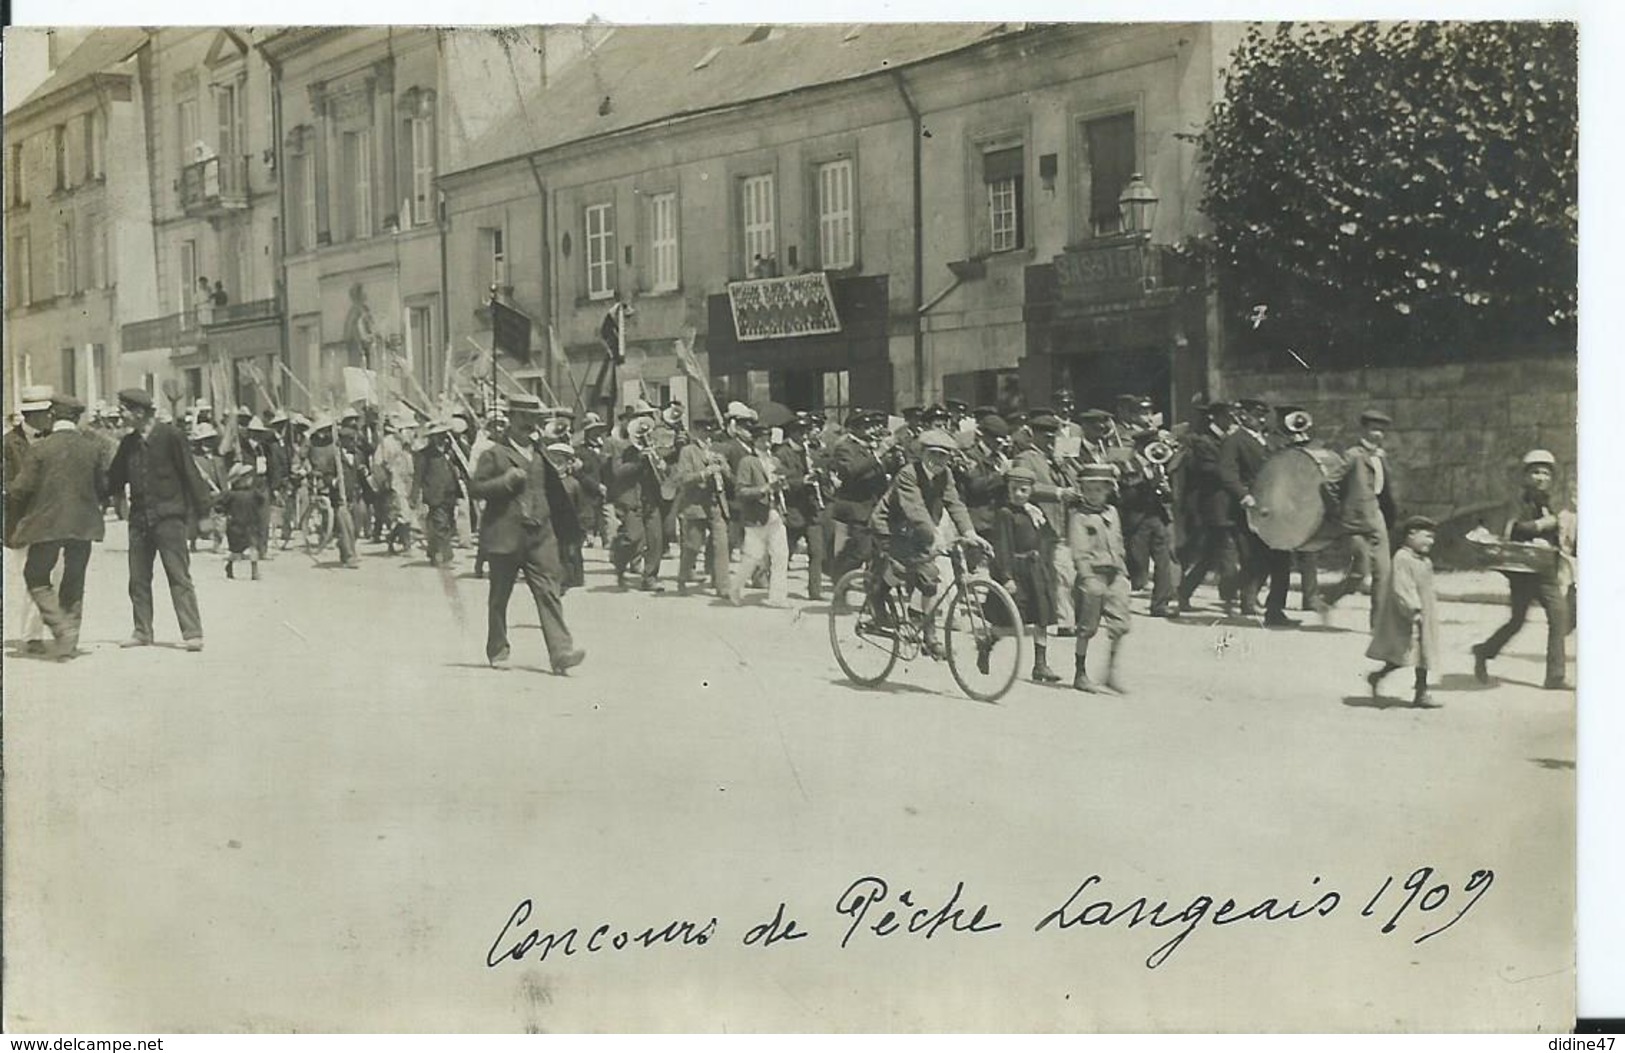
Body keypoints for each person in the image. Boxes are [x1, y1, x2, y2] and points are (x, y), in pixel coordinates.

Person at [467, 396, 585, 674]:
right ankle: (497, 649)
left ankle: (561, 653)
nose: (529, 425)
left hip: (540, 536)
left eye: (534, 420)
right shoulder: (494, 454)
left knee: (549, 592)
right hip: (505, 536)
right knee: (499, 596)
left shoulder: (542, 453)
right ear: (512, 418)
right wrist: (504, 482)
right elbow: (476, 488)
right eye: (524, 418)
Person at [107, 388, 210, 651]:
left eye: (124, 410)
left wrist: (204, 514)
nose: (121, 415)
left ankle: (192, 634)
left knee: (179, 576)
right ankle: (142, 631)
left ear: (139, 412)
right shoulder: (128, 443)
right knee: (138, 579)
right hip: (140, 521)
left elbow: (190, 474)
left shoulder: (171, 436)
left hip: (169, 519)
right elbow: (114, 478)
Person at [868, 429, 990, 652]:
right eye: (933, 454)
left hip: (918, 530)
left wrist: (970, 532)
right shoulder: (908, 474)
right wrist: (934, 536)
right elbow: (915, 509)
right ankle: (877, 595)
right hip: (891, 526)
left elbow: (955, 503)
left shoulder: (946, 476)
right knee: (901, 568)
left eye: (943, 456)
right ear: (922, 454)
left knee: (930, 578)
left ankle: (930, 636)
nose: (937, 461)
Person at [8, 394, 109, 659]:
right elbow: (104, 488)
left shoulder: (40, 448)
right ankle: (69, 642)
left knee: (36, 577)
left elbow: (21, 488)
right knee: (74, 581)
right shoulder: (93, 447)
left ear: (53, 416)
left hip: (47, 524)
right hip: (84, 524)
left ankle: (60, 626)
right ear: (77, 418)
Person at [1471, 449, 1572, 690]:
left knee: (1559, 617)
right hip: (1523, 571)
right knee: (1517, 621)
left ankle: (1555, 677)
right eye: (1535, 472)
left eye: (1545, 473)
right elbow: (1513, 530)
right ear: (1526, 476)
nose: (1540, 477)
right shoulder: (1517, 501)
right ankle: (1484, 651)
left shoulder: (1551, 501)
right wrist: (1540, 525)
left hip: (1546, 570)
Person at [1220, 398, 1297, 627]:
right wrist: (1243, 495)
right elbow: (1226, 472)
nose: (1261, 419)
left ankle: (1275, 611)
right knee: (1259, 561)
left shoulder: (1270, 440)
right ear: (1243, 415)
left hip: (1273, 506)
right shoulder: (1234, 441)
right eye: (1256, 414)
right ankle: (1232, 586)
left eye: (1263, 415)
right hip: (1250, 508)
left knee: (1281, 557)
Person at [1316, 408, 1396, 625]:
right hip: (1355, 523)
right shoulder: (1353, 455)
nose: (1378, 434)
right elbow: (1328, 484)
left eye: (1381, 430)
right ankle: (1328, 598)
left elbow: (1385, 489)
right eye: (1373, 429)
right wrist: (1340, 510)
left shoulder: (1382, 456)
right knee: (1360, 573)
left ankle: (1377, 625)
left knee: (1384, 573)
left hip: (1376, 518)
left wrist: (1388, 514)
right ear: (1364, 430)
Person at [991, 466, 1061, 684]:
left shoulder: (1034, 511)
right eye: (1014, 489)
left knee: (1042, 616)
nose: (1018, 494)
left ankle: (1040, 664)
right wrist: (1006, 576)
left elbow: (1046, 537)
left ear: (1031, 491)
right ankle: (987, 642)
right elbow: (1002, 546)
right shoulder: (1005, 513)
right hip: (1016, 568)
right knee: (1011, 622)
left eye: (1023, 490)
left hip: (1035, 568)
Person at [1012, 410, 1078, 635]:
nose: (1051, 440)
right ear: (1034, 436)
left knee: (1062, 571)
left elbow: (1074, 484)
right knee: (1046, 573)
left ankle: (1063, 619)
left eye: (1054, 436)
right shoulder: (1025, 458)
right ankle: (1058, 619)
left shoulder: (1057, 459)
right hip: (1037, 524)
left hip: (1059, 523)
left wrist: (1065, 467)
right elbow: (1024, 488)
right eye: (1046, 436)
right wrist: (1058, 492)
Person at [1068, 463, 1132, 693]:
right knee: (1087, 627)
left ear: (1108, 490)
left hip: (1115, 574)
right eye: (1088, 489)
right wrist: (1087, 578)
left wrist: (1123, 572)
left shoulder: (1112, 513)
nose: (1094, 494)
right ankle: (1080, 672)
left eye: (1099, 489)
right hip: (1092, 576)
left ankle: (1110, 671)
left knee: (1120, 624)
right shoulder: (1079, 517)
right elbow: (1079, 551)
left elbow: (1119, 541)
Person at [1365, 515, 1440, 707]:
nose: (1430, 542)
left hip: (1424, 613)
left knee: (1424, 654)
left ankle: (1421, 693)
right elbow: (1402, 587)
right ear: (1411, 534)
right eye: (1427, 536)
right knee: (1402, 655)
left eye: (1432, 538)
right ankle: (1377, 676)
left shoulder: (1424, 561)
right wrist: (1413, 610)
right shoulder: (1402, 558)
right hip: (1405, 615)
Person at [5, 385, 56, 654]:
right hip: (22, 521)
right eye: (46, 413)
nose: (50, 417)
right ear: (29, 415)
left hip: (50, 520)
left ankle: (44, 630)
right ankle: (32, 635)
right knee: (30, 577)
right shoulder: (7, 443)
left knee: (49, 576)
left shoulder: (53, 440)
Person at [1176, 401, 1240, 614]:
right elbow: (1209, 470)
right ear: (1217, 417)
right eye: (1229, 416)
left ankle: (1184, 592)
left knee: (1210, 556)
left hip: (1229, 504)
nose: (1233, 420)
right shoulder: (1204, 441)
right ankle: (1231, 601)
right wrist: (1235, 472)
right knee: (1227, 552)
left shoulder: (1228, 440)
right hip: (1215, 505)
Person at [729, 420, 792, 607]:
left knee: (781, 555)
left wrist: (782, 485)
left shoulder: (775, 461)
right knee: (753, 558)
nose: (767, 444)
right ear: (754, 442)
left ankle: (777, 597)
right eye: (762, 440)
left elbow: (782, 486)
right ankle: (735, 588)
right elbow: (741, 491)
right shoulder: (747, 462)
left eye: (768, 440)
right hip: (756, 516)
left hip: (775, 513)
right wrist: (765, 488)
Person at [610, 412, 671, 592]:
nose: (644, 438)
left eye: (647, 434)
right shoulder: (624, 449)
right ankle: (619, 561)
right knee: (633, 538)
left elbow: (664, 476)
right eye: (640, 434)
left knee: (656, 539)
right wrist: (638, 462)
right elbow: (618, 472)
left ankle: (650, 578)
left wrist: (662, 466)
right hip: (632, 500)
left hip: (651, 501)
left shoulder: (654, 450)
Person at [674, 416, 730, 597]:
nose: (708, 435)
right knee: (693, 545)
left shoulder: (715, 451)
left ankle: (723, 587)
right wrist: (705, 473)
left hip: (715, 503)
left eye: (710, 431)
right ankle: (683, 577)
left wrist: (723, 467)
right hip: (696, 504)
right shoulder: (688, 451)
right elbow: (683, 478)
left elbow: (729, 476)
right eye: (705, 431)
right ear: (696, 431)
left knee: (721, 545)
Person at [412, 420, 464, 568]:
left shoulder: (450, 451)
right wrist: (414, 496)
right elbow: (418, 476)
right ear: (432, 437)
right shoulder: (424, 455)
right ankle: (447, 557)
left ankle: (433, 551)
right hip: (434, 494)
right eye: (439, 435)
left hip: (450, 493)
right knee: (441, 525)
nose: (442, 437)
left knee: (445, 523)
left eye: (444, 434)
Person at [219, 462, 266, 580]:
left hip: (250, 525)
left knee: (253, 547)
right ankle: (229, 565)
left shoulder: (249, 494)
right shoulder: (233, 495)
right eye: (247, 478)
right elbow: (262, 501)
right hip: (237, 526)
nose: (250, 480)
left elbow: (219, 505)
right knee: (236, 552)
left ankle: (254, 571)